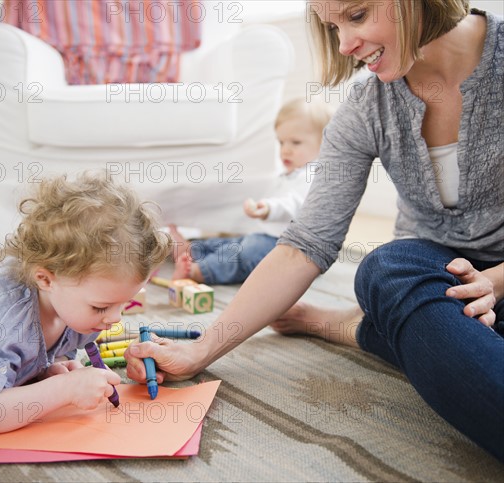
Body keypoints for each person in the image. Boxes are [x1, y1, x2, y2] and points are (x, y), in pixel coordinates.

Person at [126, 1, 504, 462]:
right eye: (333, 27)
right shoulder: (368, 106)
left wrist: (494, 282)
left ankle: (357, 326)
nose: (344, 45)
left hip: (477, 290)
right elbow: (304, 245)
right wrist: (201, 350)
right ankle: (413, 326)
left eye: (358, 16)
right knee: (385, 271)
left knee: (421, 319)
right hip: (434, 280)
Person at [0, 172, 170, 438]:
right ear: (44, 279)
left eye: (124, 303)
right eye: (101, 307)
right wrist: (63, 390)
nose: (115, 318)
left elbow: (49, 350)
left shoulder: (74, 303)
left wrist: (50, 370)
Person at [170, 99, 332, 285]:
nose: (285, 150)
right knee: (233, 244)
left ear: (324, 143)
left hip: (293, 249)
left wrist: (269, 209)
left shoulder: (316, 175)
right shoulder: (292, 172)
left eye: (295, 142)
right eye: (281, 142)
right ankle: (192, 250)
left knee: (244, 255)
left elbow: (295, 204)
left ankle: (199, 272)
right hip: (268, 237)